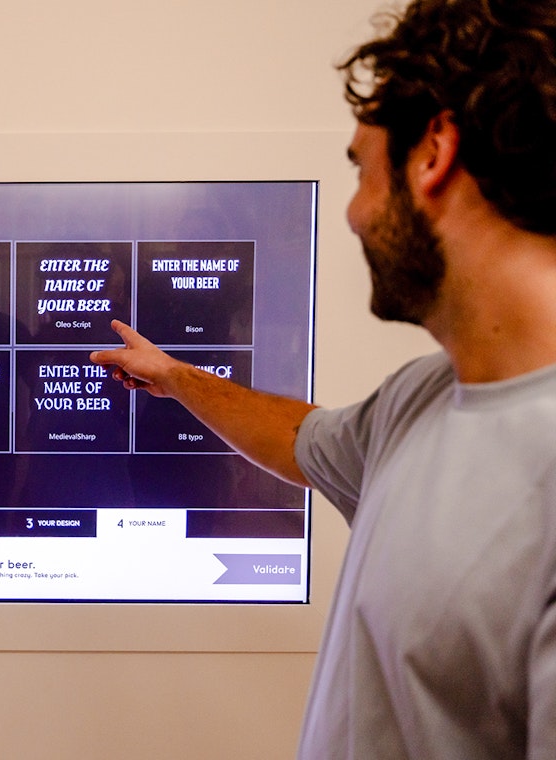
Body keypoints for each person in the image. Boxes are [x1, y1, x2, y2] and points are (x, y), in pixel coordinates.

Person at [92, 0, 556, 757]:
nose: (352, 213)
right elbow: (300, 437)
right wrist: (173, 376)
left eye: (361, 171)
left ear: (433, 153)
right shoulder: (416, 402)